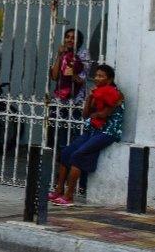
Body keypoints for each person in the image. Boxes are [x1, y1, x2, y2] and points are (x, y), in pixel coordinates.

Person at [49, 64, 125, 207]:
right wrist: (90, 98)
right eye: (96, 75)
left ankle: (68, 196)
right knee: (66, 152)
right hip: (93, 130)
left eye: (101, 76)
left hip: (107, 132)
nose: (97, 78)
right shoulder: (97, 92)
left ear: (109, 79)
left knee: (77, 155)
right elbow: (85, 114)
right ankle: (58, 190)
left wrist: (95, 111)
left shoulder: (114, 93)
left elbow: (104, 114)